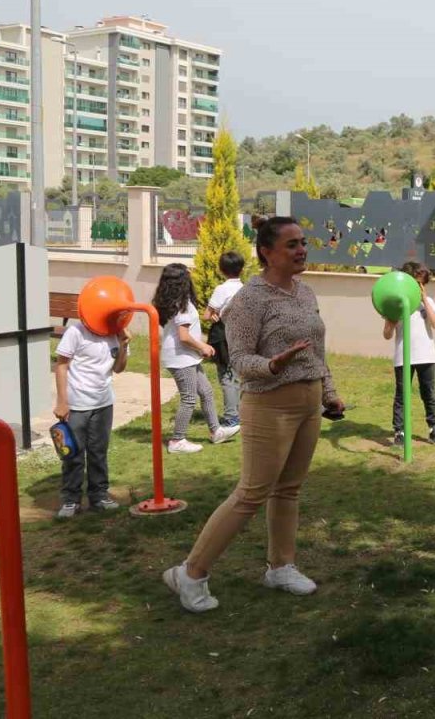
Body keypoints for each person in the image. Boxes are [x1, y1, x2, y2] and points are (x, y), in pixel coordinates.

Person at [163, 216, 346, 613]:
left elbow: (316, 350)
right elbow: (240, 360)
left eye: (302, 243)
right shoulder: (249, 299)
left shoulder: (306, 292)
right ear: (266, 252)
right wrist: (273, 365)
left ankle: (280, 566)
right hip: (269, 403)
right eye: (291, 245)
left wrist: (329, 393)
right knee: (251, 493)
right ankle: (190, 573)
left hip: (308, 402)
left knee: (289, 489)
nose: (301, 251)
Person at [153, 263, 239, 453]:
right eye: (188, 272)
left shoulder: (174, 301)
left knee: (206, 392)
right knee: (189, 398)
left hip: (186, 357)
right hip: (181, 358)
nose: (192, 274)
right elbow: (184, 337)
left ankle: (216, 431)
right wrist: (203, 346)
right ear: (181, 280)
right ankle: (177, 441)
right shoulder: (182, 305)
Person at [52, 314, 131, 518]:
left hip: (104, 403)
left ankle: (99, 496)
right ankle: (71, 500)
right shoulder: (76, 331)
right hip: (77, 404)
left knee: (98, 452)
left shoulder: (117, 332)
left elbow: (119, 368)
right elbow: (61, 365)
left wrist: (123, 345)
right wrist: (62, 400)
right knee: (73, 455)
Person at [382, 261, 435, 446]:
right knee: (401, 395)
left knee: (428, 393)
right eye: (417, 283)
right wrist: (392, 322)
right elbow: (386, 335)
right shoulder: (396, 304)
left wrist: (424, 299)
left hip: (426, 356)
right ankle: (399, 432)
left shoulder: (429, 302)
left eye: (423, 284)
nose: (420, 287)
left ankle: (433, 429)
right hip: (403, 357)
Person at [204, 250, 246, 432]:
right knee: (237, 376)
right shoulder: (245, 289)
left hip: (224, 337)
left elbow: (207, 314)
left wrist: (214, 316)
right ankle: (241, 413)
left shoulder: (222, 289)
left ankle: (231, 418)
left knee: (227, 377)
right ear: (241, 269)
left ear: (222, 269)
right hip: (243, 336)